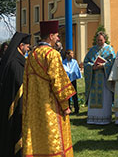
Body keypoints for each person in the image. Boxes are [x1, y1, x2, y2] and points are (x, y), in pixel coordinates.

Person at [22, 21, 76, 157]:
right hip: (51, 104)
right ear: (51, 36)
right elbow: (58, 83)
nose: (58, 39)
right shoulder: (52, 54)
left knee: (37, 134)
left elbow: (26, 81)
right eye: (57, 36)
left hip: (34, 104)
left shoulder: (31, 55)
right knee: (54, 135)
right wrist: (65, 106)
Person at [0, 32, 31, 157]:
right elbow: (20, 86)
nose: (28, 49)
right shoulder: (15, 62)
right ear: (21, 46)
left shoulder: (14, 60)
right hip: (13, 107)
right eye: (27, 46)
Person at [84, 31, 115, 125]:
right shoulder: (92, 50)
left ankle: (104, 118)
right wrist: (91, 66)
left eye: (101, 40)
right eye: (98, 40)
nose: (99, 42)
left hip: (104, 78)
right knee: (94, 97)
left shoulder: (109, 49)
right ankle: (93, 118)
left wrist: (103, 65)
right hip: (94, 78)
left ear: (104, 39)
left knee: (105, 97)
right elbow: (86, 62)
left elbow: (112, 62)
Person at [63, 50, 82, 115]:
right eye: (71, 54)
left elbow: (76, 69)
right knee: (68, 95)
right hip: (66, 80)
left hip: (73, 79)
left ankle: (77, 109)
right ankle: (68, 108)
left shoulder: (74, 62)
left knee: (74, 94)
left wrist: (74, 74)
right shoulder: (63, 62)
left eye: (73, 54)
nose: (72, 55)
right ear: (67, 55)